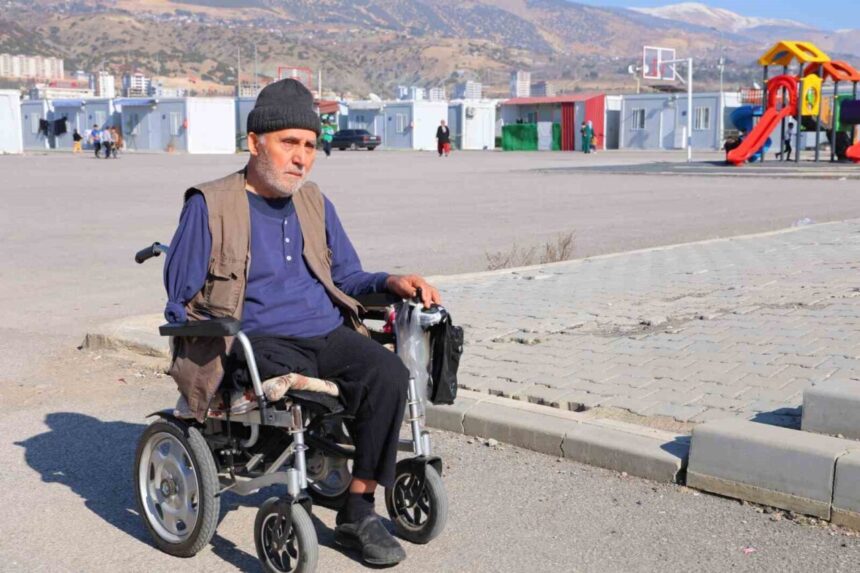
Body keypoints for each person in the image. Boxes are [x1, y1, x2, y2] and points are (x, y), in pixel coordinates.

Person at [163, 79, 441, 567]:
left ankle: (357, 509)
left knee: (389, 375)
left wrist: (392, 280)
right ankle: (302, 483)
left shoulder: (313, 202)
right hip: (256, 341)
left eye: (310, 146)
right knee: (306, 390)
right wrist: (205, 348)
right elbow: (180, 301)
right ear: (255, 143)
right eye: (289, 142)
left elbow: (347, 276)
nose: (301, 158)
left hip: (324, 332)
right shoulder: (209, 204)